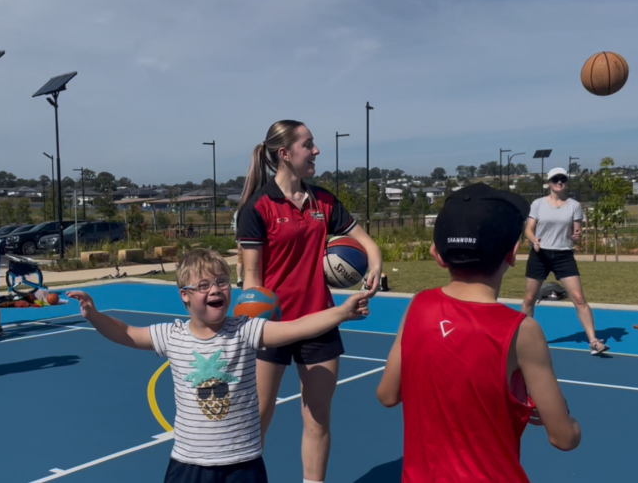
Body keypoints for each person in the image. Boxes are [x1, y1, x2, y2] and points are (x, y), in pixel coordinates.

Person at [66, 248, 369, 483]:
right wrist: (94, 315)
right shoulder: (171, 335)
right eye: (203, 285)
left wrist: (340, 313)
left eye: (222, 282)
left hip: (244, 463)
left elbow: (298, 327)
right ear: (184, 296)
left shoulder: (245, 330)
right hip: (189, 464)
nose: (215, 290)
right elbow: (128, 333)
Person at [376, 183, 581, 482]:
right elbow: (563, 438)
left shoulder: (418, 306)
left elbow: (387, 394)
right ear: (512, 254)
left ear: (438, 254)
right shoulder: (522, 331)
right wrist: (567, 417)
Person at [237, 120, 382, 483]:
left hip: (321, 321)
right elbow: (252, 276)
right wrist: (255, 326)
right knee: (258, 419)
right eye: (309, 145)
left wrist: (374, 268)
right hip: (274, 325)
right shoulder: (258, 207)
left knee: (318, 419)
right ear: (285, 154)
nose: (316, 151)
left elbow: (367, 243)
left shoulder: (324, 201)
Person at [522, 167, 608, 355]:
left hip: (563, 256)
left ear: (566, 182)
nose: (559, 182)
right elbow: (529, 229)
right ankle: (521, 340)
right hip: (540, 255)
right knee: (529, 299)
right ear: (549, 183)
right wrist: (533, 239)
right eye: (555, 179)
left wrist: (576, 236)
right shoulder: (538, 204)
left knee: (578, 298)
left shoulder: (574, 206)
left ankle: (593, 341)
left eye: (562, 179)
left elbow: (575, 232)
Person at [232, 210, 244, 288]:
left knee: (241, 260)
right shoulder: (241, 212)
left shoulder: (237, 212)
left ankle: (239, 279)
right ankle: (239, 279)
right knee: (241, 260)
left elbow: (235, 228)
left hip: (240, 238)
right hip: (244, 238)